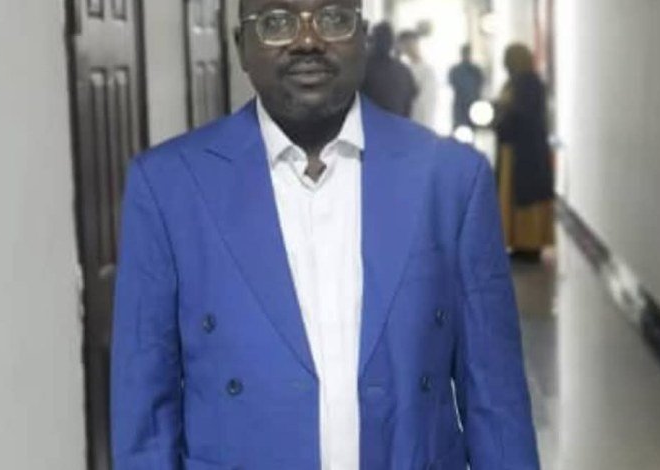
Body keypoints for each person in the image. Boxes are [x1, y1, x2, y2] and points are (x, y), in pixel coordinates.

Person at [110, 0, 540, 467]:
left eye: (333, 18)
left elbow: (496, 398)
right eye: (277, 22)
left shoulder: (451, 179)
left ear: (363, 36)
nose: (308, 40)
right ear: (241, 47)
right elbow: (145, 412)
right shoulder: (169, 185)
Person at [494, 43, 555, 262]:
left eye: (508, 59)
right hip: (516, 150)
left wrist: (504, 113)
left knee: (527, 198)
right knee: (516, 197)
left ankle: (530, 244)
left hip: (526, 152)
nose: (505, 63)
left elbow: (522, 114)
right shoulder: (517, 82)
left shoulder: (529, 84)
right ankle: (519, 242)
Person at [360, 22, 418, 117]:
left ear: (372, 41)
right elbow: (409, 104)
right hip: (397, 123)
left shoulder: (362, 68)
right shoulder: (404, 71)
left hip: (369, 122)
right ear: (392, 44)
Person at [398, 30, 438, 128]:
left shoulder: (427, 70)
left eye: (410, 44)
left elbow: (426, 103)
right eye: (405, 45)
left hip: (421, 124)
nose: (408, 48)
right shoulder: (404, 69)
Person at [448, 43, 484, 129]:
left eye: (467, 53)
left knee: (471, 128)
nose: (466, 55)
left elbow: (480, 84)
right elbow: (453, 84)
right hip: (461, 105)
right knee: (460, 128)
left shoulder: (475, 70)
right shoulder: (456, 70)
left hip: (471, 104)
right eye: (465, 53)